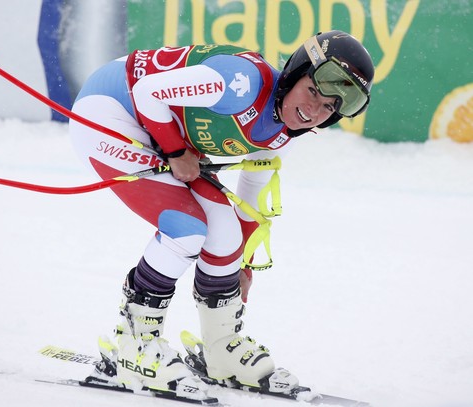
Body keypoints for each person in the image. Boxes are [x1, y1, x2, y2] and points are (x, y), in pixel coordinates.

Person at [69, 30, 374, 399]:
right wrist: (176, 150)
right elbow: (149, 92)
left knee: (225, 233)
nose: (313, 110)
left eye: (328, 108)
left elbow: (249, 198)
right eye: (312, 91)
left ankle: (220, 348)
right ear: (295, 74)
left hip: (155, 128)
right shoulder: (238, 84)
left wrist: (239, 267)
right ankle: (133, 346)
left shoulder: (282, 135)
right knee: (186, 228)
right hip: (110, 112)